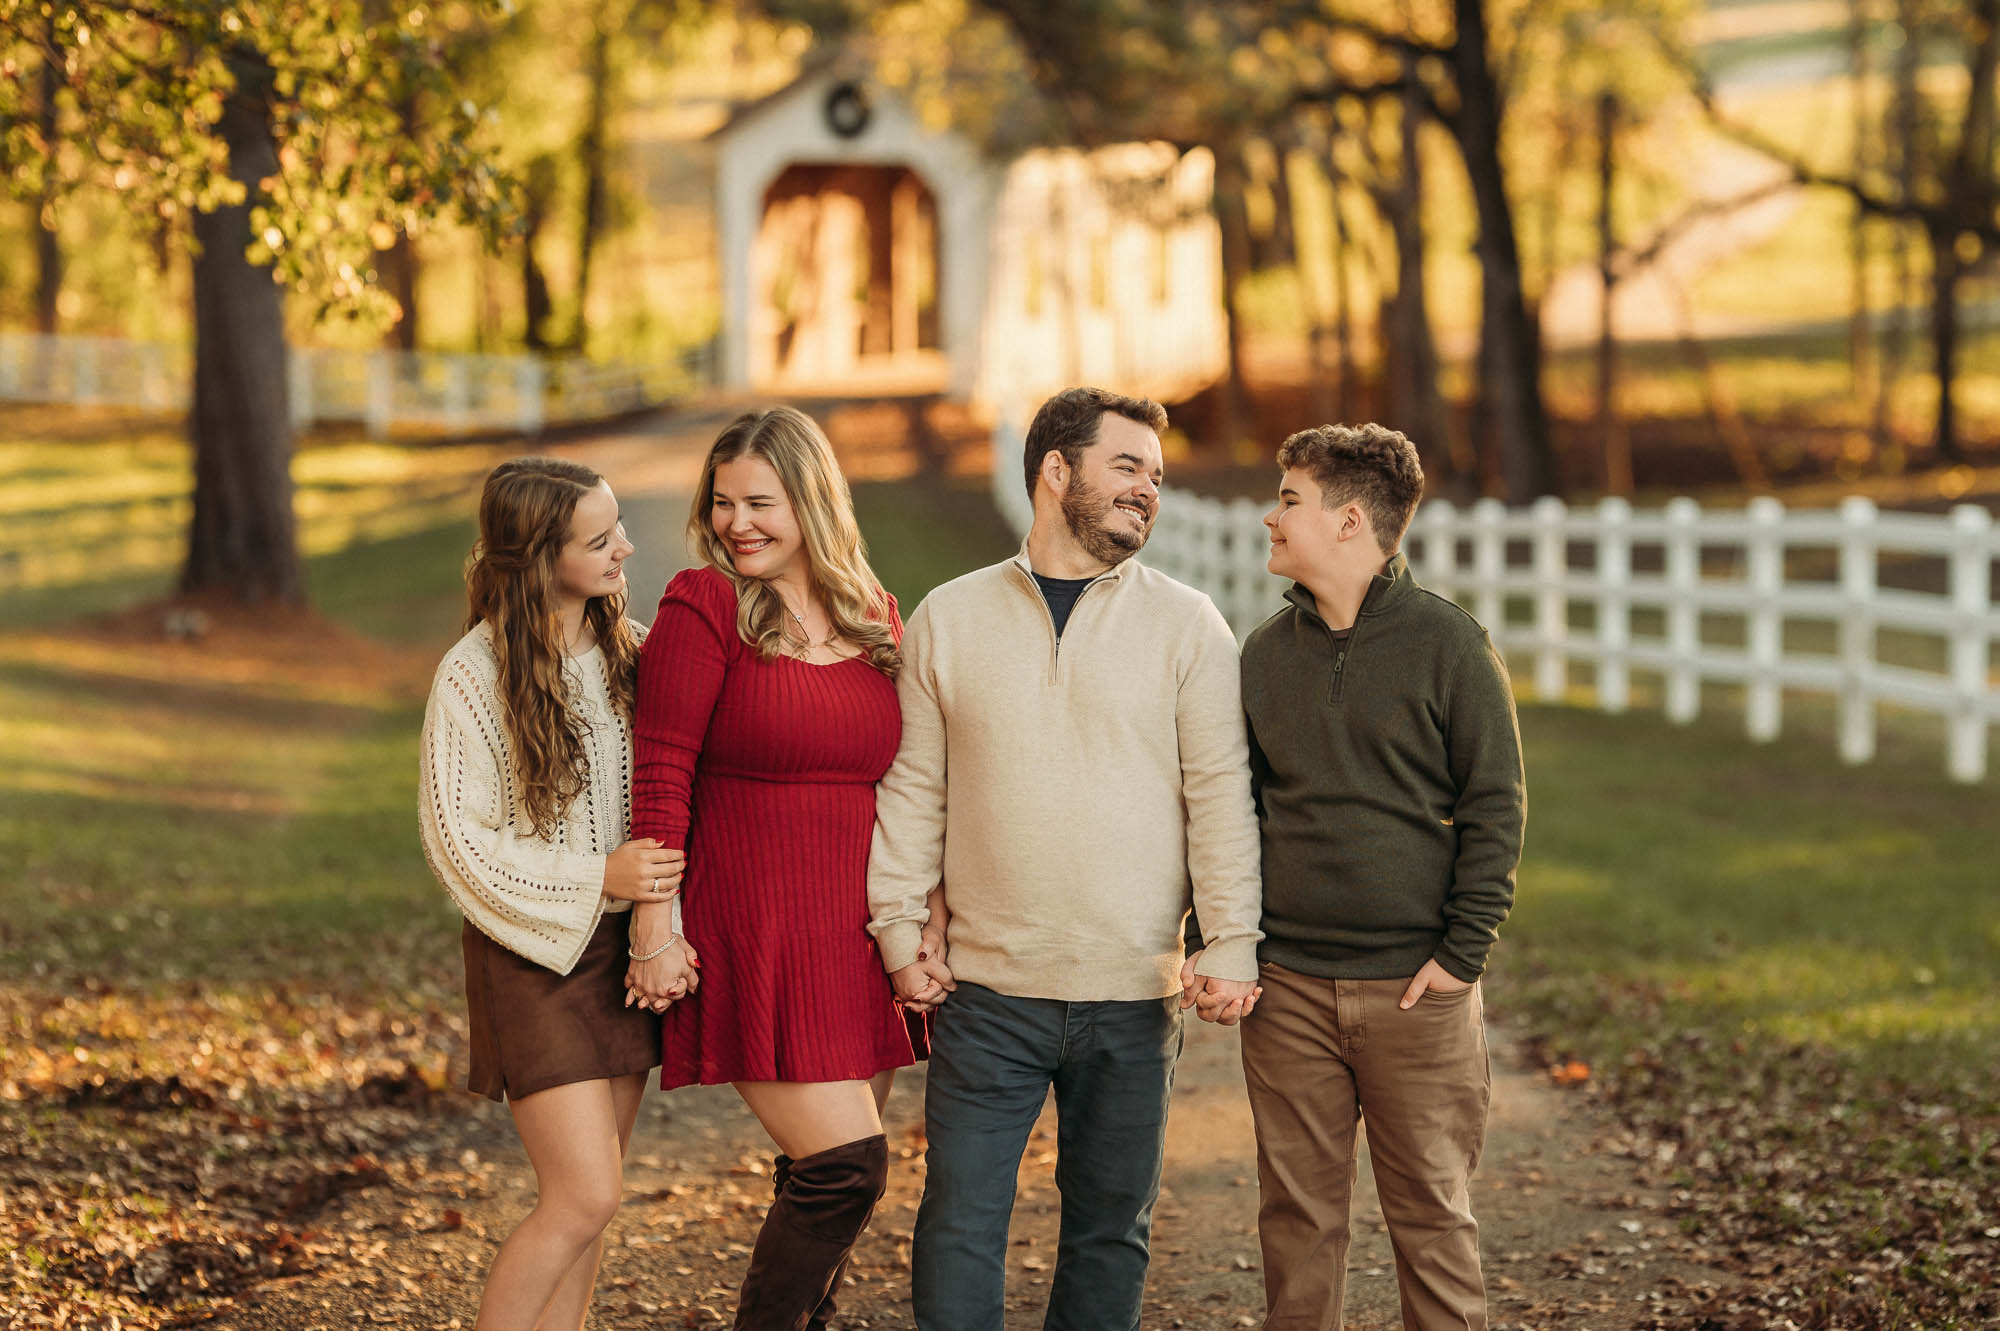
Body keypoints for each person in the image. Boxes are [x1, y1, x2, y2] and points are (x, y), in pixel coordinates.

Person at [866, 385, 1267, 1331]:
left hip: (1134, 994)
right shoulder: (948, 618)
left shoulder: (1189, 626)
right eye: (1126, 466)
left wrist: (1233, 937)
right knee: (959, 1221)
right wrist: (896, 928)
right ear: (1056, 471)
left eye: (1157, 476)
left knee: (1109, 1231)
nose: (1148, 490)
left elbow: (1219, 797)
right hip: (986, 994)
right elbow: (914, 791)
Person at [624, 406, 937, 1331]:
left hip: (852, 936)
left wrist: (920, 920)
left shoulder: (874, 615)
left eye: (760, 500)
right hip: (753, 925)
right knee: (847, 1167)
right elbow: (662, 766)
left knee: (821, 1175)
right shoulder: (703, 604)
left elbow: (915, 781)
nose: (736, 523)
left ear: (812, 499)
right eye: (722, 503)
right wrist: (654, 925)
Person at [1237, 423, 1526, 1331]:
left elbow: (1497, 807)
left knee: (1433, 1221)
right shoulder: (1260, 656)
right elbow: (1233, 808)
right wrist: (1225, 936)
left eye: (1288, 498)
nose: (1270, 516)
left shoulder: (1450, 645)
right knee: (1297, 1225)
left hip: (1418, 996)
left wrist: (1462, 957)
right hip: (1287, 992)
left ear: (1350, 519)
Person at [418, 456, 687, 1331]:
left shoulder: (628, 651)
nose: (624, 547)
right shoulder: (473, 673)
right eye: (600, 537)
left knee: (593, 1209)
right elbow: (457, 843)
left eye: (618, 528)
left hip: (618, 958)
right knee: (583, 1193)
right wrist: (595, 875)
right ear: (541, 554)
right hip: (529, 955)